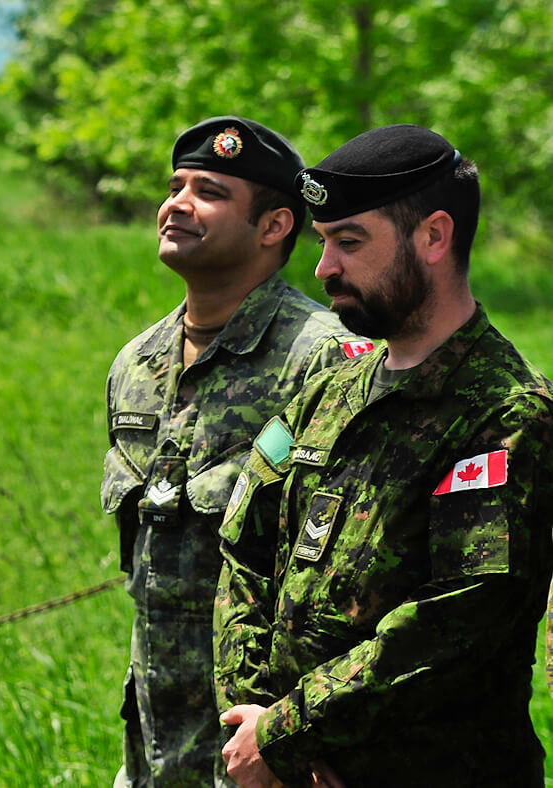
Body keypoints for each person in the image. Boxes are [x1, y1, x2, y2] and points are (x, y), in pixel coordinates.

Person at [214, 124, 553, 787]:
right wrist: (251, 723)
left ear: (433, 237)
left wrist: (287, 735)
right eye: (322, 243)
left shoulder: (506, 415)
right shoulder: (324, 393)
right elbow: (241, 548)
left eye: (350, 242)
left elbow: (459, 618)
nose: (323, 268)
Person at [102, 116, 371, 788]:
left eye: (209, 192)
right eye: (175, 186)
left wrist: (309, 738)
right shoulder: (137, 362)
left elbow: (354, 578)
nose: (176, 204)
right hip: (159, 746)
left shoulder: (328, 360)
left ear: (275, 226)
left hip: (270, 748)